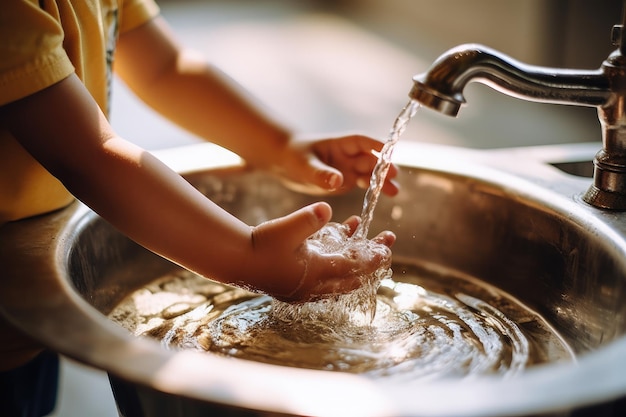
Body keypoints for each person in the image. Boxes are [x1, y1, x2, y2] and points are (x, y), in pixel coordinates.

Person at [0, 1, 397, 415]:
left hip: (24, 290)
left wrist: (281, 145)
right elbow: (86, 155)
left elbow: (165, 68)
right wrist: (247, 256)